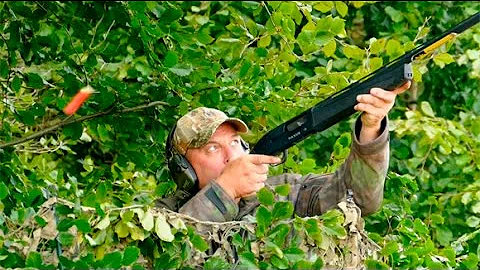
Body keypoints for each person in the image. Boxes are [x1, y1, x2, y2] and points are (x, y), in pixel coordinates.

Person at [159, 82, 411, 222]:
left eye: (235, 142)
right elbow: (179, 251)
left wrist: (371, 127)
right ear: (185, 169)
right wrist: (225, 190)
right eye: (212, 148)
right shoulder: (160, 218)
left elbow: (358, 199)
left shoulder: (285, 193)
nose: (231, 156)